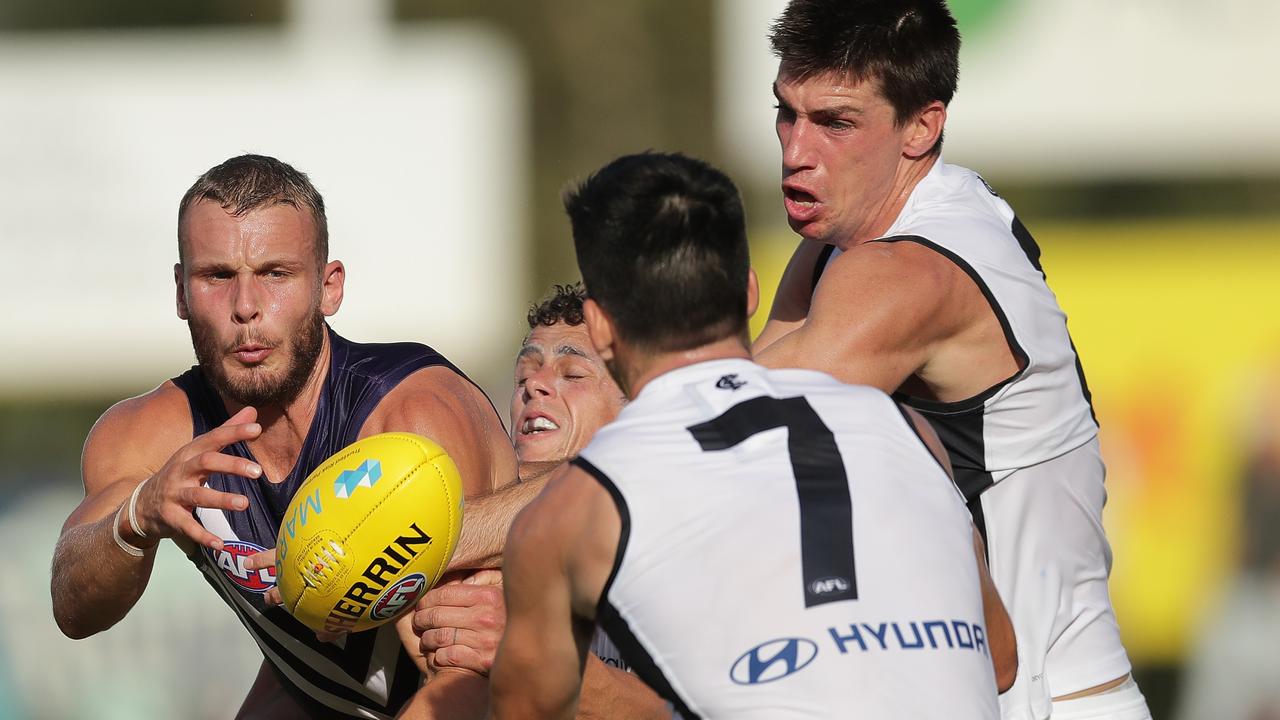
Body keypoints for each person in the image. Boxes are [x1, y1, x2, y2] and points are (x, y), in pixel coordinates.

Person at [489, 151, 1016, 719]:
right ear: (747, 292)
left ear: (598, 325)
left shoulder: (574, 506)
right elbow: (1002, 658)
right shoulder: (908, 429)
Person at [751, 2, 1150, 718]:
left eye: (835, 122)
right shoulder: (845, 238)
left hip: (1046, 703)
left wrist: (485, 527)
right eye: (787, 113)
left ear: (922, 126)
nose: (794, 151)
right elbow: (717, 391)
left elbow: (695, 441)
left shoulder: (909, 273)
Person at [49, 154, 518, 720]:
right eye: (217, 277)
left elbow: (466, 684)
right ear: (180, 291)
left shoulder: (410, 420)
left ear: (329, 287)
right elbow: (73, 608)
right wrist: (138, 515)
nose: (246, 308)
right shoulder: (147, 434)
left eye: (275, 274)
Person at [411, 283, 668, 719]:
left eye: (572, 374)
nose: (535, 387)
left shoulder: (677, 531)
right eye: (523, 377)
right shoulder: (468, 531)